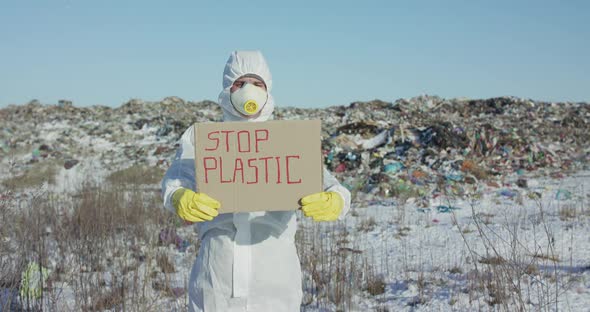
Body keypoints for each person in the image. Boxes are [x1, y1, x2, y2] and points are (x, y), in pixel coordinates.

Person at [161, 50, 351, 312]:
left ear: (268, 89)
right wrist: (178, 196)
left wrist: (336, 200)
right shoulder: (202, 138)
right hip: (217, 276)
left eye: (257, 84)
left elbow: (331, 184)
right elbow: (177, 177)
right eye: (240, 83)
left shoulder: (289, 140)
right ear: (227, 88)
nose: (248, 90)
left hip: (274, 278)